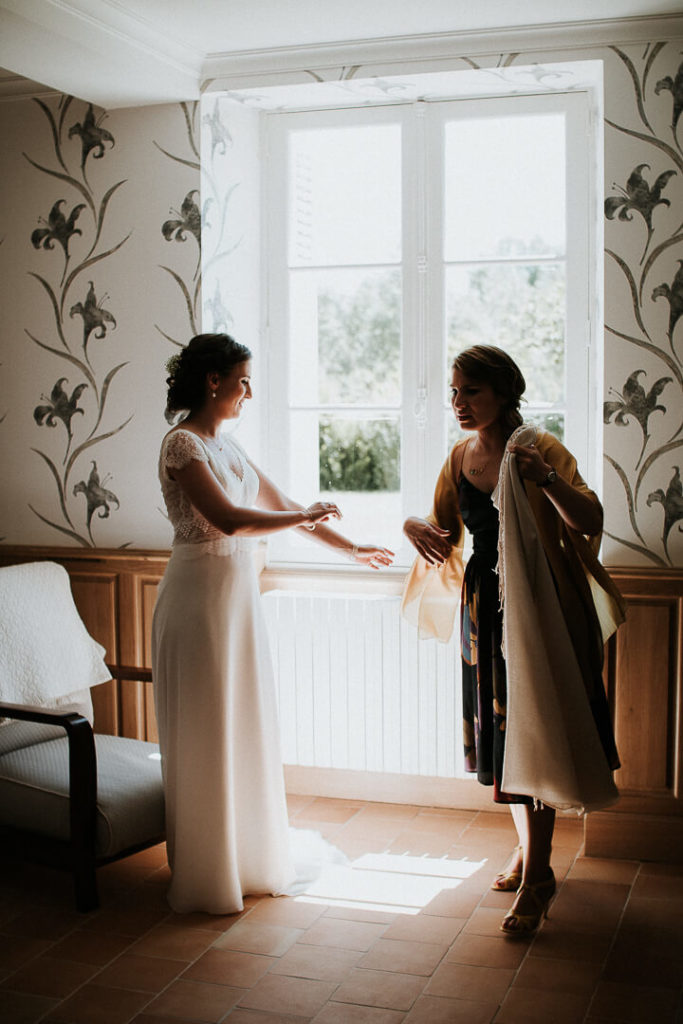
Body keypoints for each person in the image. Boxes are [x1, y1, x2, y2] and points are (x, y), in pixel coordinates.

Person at [151, 332, 393, 914]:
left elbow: (286, 504)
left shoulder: (228, 447)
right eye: (243, 379)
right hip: (195, 603)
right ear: (215, 381)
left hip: (236, 603)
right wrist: (299, 515)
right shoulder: (182, 445)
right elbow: (230, 520)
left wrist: (352, 547)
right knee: (206, 730)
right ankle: (209, 872)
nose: (249, 392)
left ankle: (248, 857)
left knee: (242, 723)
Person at [402, 345, 625, 937]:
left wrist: (546, 479)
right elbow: (446, 534)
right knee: (503, 736)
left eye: (469, 392)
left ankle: (540, 874)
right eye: (453, 392)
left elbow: (589, 520)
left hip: (542, 604)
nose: (458, 403)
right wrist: (412, 526)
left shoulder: (538, 447)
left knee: (540, 725)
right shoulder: (459, 457)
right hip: (486, 607)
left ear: (502, 392)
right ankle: (530, 853)